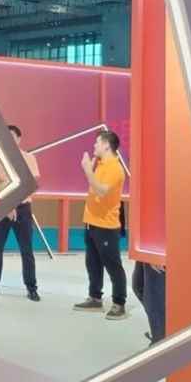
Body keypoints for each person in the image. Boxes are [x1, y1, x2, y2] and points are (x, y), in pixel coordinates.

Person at [0, 125, 42, 301]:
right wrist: (8, 206)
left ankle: (31, 288)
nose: (9, 140)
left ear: (19, 139)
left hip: (23, 208)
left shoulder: (29, 158)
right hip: (1, 208)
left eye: (12, 137)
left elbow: (31, 183)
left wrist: (13, 202)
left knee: (27, 250)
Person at [74, 129, 128, 318]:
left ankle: (119, 304)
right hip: (91, 222)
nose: (94, 145)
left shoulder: (115, 168)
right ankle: (95, 298)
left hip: (106, 226)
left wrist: (87, 170)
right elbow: (95, 186)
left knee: (113, 266)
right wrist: (91, 170)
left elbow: (102, 191)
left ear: (106, 145)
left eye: (97, 142)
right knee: (93, 263)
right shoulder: (101, 164)